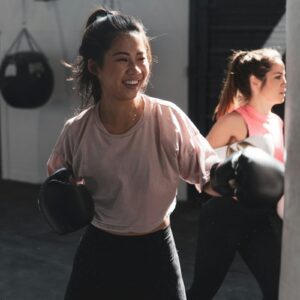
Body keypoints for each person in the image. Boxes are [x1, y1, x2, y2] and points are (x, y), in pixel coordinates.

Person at [45, 7, 219, 300]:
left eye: (141, 59)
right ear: (94, 67)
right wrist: (65, 194)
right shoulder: (77, 131)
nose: (136, 70)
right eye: (122, 60)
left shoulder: (167, 118)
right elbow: (56, 181)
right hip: (99, 254)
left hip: (156, 252)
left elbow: (206, 171)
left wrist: (229, 176)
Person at [187, 48, 286, 300]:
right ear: (255, 81)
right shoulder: (233, 121)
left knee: (278, 290)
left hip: (258, 218)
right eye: (278, 76)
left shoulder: (276, 123)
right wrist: (224, 180)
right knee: (203, 291)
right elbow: (198, 168)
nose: (285, 82)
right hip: (224, 217)